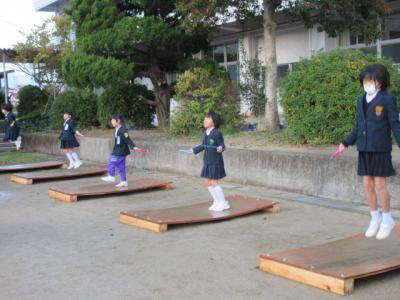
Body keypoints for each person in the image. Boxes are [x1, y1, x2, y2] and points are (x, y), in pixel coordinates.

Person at [332, 64, 400, 240]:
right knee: (367, 185)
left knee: (379, 185)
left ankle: (387, 219)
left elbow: (395, 124)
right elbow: (358, 126)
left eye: (372, 80)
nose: (368, 83)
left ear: (381, 81)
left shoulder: (387, 98)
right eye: (365, 80)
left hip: (380, 148)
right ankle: (375, 217)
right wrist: (345, 143)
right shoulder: (360, 100)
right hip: (364, 148)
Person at [190, 112, 230, 212]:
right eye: (205, 118)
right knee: (208, 182)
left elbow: (222, 145)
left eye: (208, 118)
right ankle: (216, 201)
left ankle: (223, 203)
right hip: (207, 161)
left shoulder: (217, 132)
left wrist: (221, 148)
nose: (205, 120)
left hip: (215, 161)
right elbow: (203, 145)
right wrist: (193, 150)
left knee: (214, 182)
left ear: (214, 122)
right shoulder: (205, 132)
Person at [101, 113, 140, 188]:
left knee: (111, 161)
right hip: (118, 149)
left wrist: (133, 147)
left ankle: (111, 176)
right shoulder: (117, 128)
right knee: (121, 166)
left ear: (118, 121)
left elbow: (128, 139)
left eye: (113, 120)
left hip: (120, 151)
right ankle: (124, 181)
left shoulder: (123, 130)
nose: (111, 122)